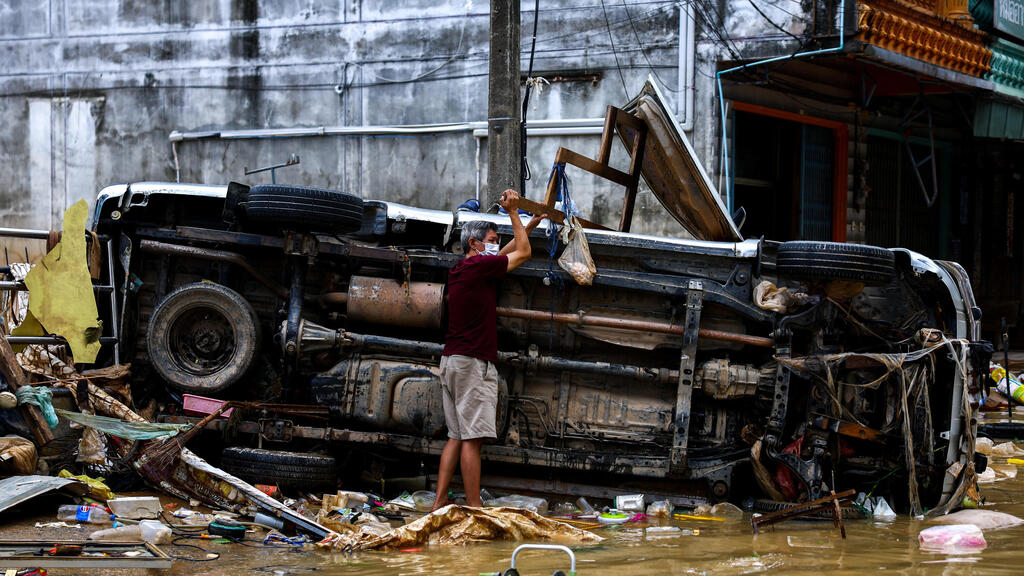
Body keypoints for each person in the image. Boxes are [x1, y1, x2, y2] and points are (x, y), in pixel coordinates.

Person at [433, 189, 543, 509]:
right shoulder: (480, 269)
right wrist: (514, 213)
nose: (495, 243)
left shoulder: (461, 269)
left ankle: (438, 504)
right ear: (474, 244)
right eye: (492, 239)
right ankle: (474, 509)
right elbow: (522, 253)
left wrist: (530, 223)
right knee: (472, 441)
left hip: (452, 362)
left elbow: (505, 254)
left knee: (455, 437)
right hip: (472, 365)